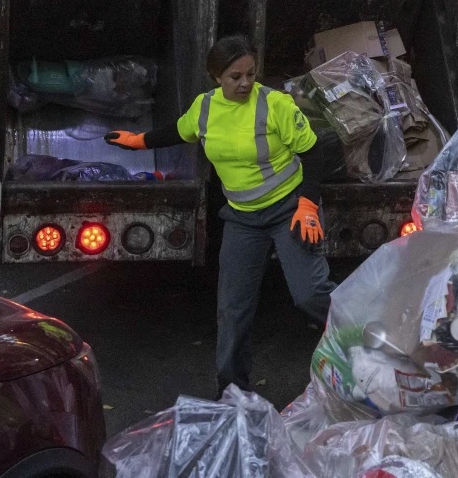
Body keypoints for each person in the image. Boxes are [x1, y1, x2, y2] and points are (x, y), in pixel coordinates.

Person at [105, 35, 333, 391]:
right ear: (216, 77)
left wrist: (307, 204)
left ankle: (364, 338)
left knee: (309, 294)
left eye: (251, 74)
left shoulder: (276, 105)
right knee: (232, 307)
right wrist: (138, 141)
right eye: (235, 76)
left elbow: (314, 152)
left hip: (288, 208)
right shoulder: (205, 108)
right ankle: (232, 391)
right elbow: (179, 131)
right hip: (243, 218)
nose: (245, 83)